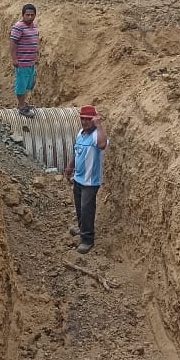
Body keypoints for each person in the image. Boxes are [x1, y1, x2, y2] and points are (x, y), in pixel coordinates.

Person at [64, 105, 108, 254]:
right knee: (79, 207)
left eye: (88, 119)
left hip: (90, 181)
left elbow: (102, 145)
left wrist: (99, 125)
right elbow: (77, 151)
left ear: (94, 120)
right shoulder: (80, 133)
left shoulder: (96, 135)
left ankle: (87, 240)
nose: (84, 122)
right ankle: (82, 228)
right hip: (78, 178)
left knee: (86, 209)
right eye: (82, 118)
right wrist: (70, 166)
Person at [9, 3, 39, 116]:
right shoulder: (18, 26)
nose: (30, 17)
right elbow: (12, 43)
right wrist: (14, 59)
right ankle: (21, 107)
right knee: (21, 84)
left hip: (31, 62)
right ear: (23, 15)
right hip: (22, 62)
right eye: (27, 15)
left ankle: (23, 103)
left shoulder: (34, 26)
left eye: (32, 15)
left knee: (28, 84)